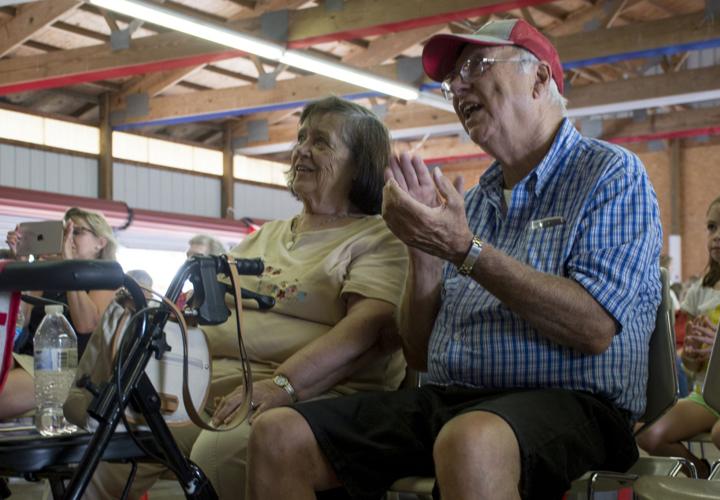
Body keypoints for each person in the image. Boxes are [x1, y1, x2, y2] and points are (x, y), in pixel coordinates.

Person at [247, 19, 662, 500]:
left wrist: (465, 250)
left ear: (540, 79)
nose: (458, 87)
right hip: (454, 400)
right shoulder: (477, 198)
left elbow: (593, 327)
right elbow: (421, 353)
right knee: (280, 435)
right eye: (451, 83)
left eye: (477, 67)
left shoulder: (609, 173)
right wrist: (423, 251)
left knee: (470, 441)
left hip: (578, 404)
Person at [72, 96, 408, 500]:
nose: (301, 149)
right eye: (301, 138)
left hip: (317, 395)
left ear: (360, 164)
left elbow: (368, 331)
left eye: (321, 142)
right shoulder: (267, 236)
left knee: (220, 452)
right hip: (212, 391)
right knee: (98, 453)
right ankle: (91, 397)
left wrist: (284, 383)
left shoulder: (379, 237)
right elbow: (202, 306)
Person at [637, 189, 720, 477]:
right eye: (712, 227)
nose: (717, 235)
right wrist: (689, 356)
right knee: (648, 432)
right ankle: (702, 477)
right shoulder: (700, 290)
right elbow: (691, 364)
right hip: (707, 395)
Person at [0, 207, 117, 420]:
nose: (69, 237)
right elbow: (22, 320)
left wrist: (69, 264)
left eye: (77, 232)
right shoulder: (49, 273)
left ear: (100, 243)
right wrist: (22, 263)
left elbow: (86, 325)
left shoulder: (105, 278)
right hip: (29, 357)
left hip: (64, 367)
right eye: (65, 232)